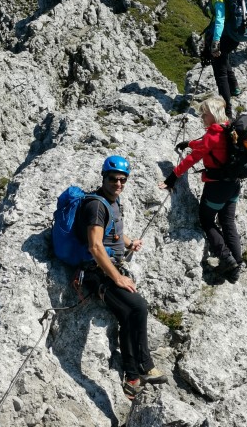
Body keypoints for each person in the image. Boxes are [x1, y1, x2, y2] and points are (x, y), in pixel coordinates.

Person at [74, 155, 168, 400]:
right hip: (95, 272)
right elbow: (95, 247)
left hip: (108, 266)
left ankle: (131, 377)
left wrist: (130, 242)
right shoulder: (96, 206)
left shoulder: (112, 202)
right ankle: (145, 365)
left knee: (127, 315)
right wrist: (116, 278)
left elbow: (114, 230)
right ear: (103, 178)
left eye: (122, 180)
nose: (118, 184)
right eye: (113, 179)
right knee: (138, 306)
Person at [159, 96, 242, 284]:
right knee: (228, 222)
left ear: (213, 114)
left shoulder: (213, 134)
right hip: (233, 185)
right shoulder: (228, 129)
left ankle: (227, 259)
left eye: (204, 114)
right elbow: (207, 145)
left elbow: (192, 159)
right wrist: (188, 143)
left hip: (216, 188)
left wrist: (171, 178)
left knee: (206, 220)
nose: (202, 117)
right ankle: (237, 265)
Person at [198, 0, 240, 119]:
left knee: (220, 73)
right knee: (224, 61)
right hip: (229, 35)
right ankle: (235, 88)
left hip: (223, 36)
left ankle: (227, 112)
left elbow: (220, 18)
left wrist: (215, 42)